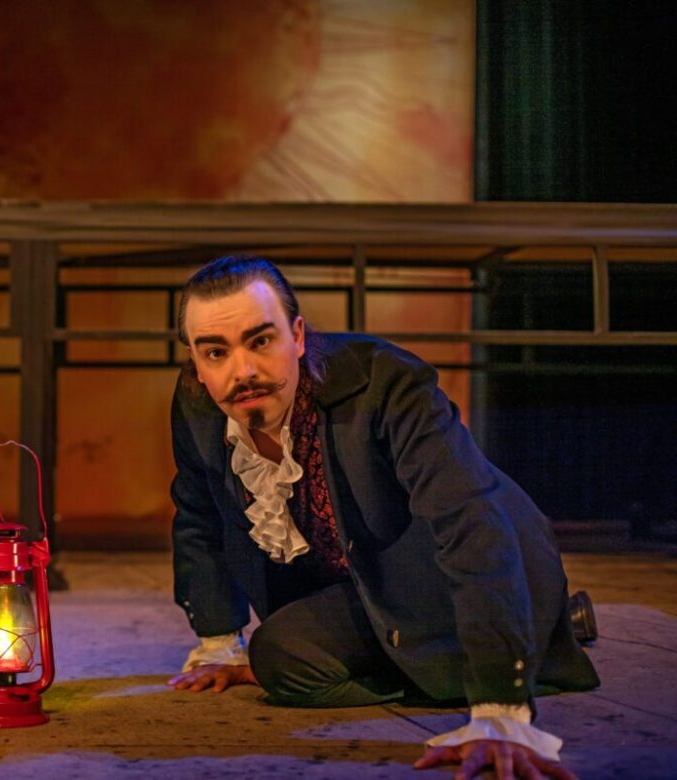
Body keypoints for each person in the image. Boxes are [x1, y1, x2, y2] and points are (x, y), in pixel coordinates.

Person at [166, 257, 599, 780]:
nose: (243, 372)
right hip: (365, 578)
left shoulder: (387, 383)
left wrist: (499, 708)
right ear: (196, 362)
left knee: (309, 647)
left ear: (297, 336)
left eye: (261, 341)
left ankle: (531, 632)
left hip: (446, 559)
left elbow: (470, 520)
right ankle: (498, 640)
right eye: (216, 352)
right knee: (278, 657)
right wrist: (219, 641)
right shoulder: (198, 405)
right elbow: (199, 514)